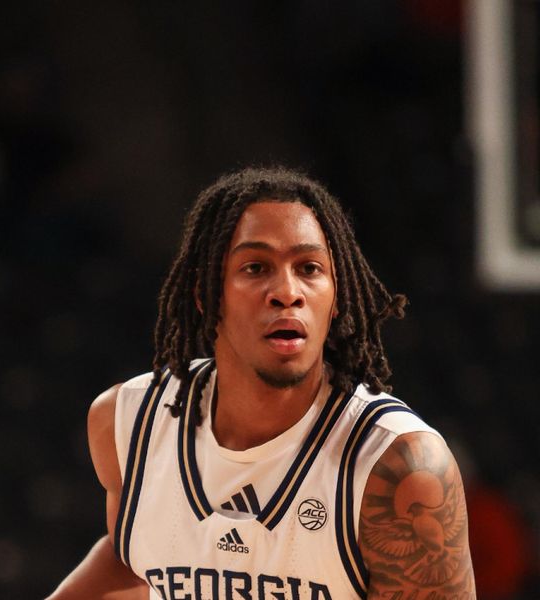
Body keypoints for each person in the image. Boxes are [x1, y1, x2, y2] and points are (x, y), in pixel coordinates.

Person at [48, 166, 475, 599]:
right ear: (206, 295)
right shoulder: (127, 424)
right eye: (256, 267)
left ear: (336, 298)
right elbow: (132, 559)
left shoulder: (398, 464)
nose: (287, 291)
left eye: (309, 268)